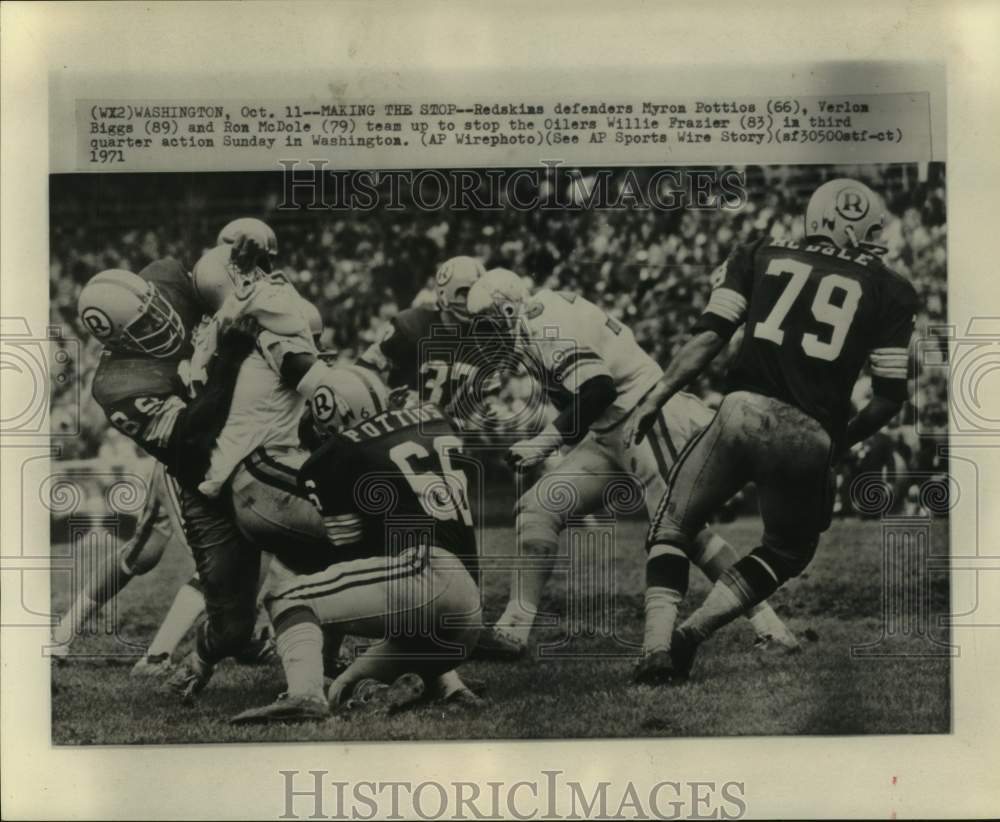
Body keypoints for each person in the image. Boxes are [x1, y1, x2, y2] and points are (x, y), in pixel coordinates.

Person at [628, 178, 917, 683]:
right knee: (787, 550)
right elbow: (889, 398)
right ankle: (690, 635)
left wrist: (658, 395)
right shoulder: (892, 288)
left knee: (672, 525)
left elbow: (710, 337)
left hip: (740, 411)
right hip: (810, 435)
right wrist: (838, 444)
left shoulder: (759, 251)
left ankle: (655, 647)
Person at [463, 268, 795, 673]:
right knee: (538, 508)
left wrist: (542, 443)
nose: (485, 338)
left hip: (646, 416)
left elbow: (598, 389)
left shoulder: (544, 322)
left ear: (508, 309)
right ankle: (513, 629)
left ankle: (770, 627)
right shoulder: (531, 328)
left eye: (487, 326)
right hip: (609, 434)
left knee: (681, 532)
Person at [232, 393, 483, 724]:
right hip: (468, 613)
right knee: (342, 687)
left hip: (427, 574)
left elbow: (347, 558)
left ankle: (304, 696)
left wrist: (323, 639)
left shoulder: (336, 453)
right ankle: (450, 689)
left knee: (286, 596)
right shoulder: (434, 419)